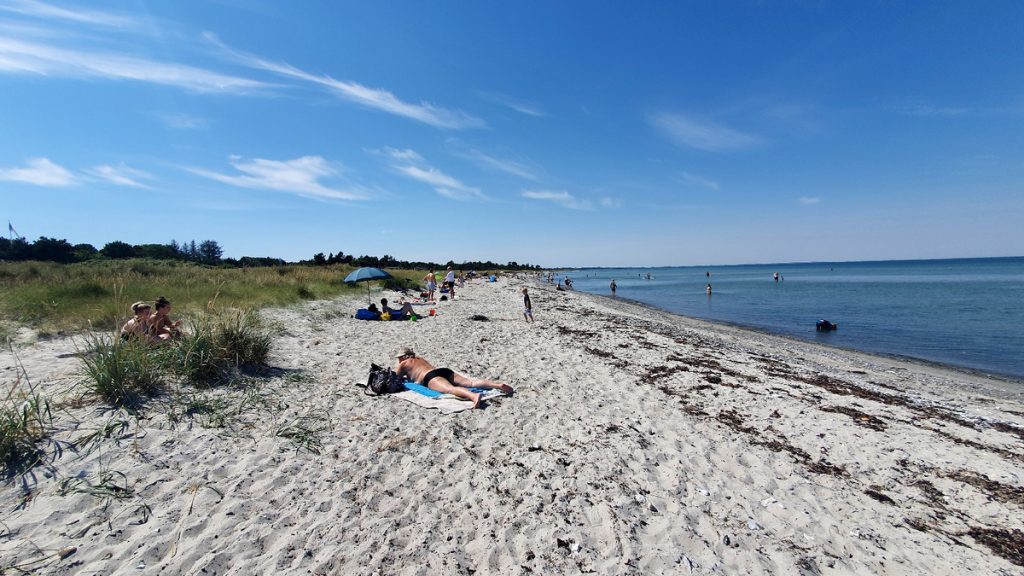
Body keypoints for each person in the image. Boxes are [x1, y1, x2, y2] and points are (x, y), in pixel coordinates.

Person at [395, 347, 512, 409]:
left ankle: (473, 396)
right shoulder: (420, 358)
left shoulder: (403, 364)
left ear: (404, 356)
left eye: (399, 357)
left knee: (450, 389)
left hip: (429, 377)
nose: (398, 360)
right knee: (471, 383)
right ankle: (497, 385)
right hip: (443, 371)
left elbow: (396, 377)